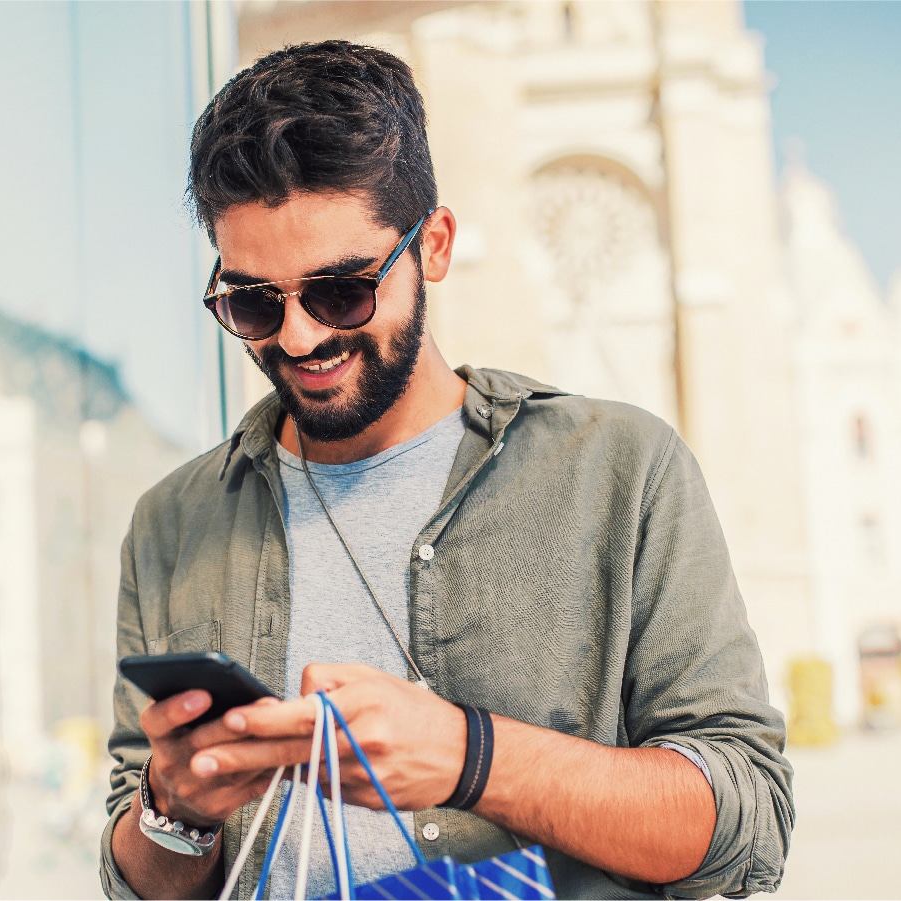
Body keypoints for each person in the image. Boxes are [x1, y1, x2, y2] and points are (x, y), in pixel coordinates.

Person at [100, 41, 793, 900]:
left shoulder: (619, 469)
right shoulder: (174, 523)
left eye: (340, 291)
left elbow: (746, 821)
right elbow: (143, 881)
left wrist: (472, 758)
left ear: (433, 246)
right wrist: (176, 807)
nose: (298, 338)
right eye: (250, 300)